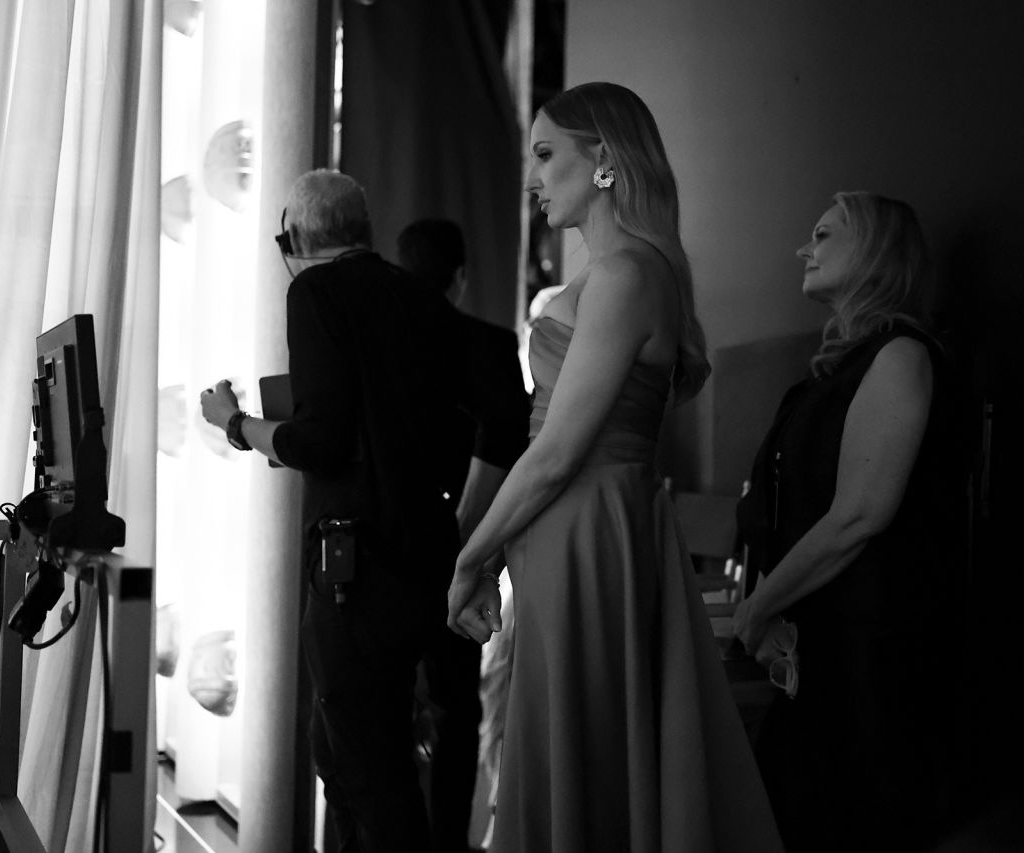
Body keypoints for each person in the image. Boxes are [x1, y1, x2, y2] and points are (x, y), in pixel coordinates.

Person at [444, 82, 785, 853]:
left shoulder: (628, 274)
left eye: (545, 155)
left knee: (580, 740)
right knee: (571, 734)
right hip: (577, 529)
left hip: (586, 529)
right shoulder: (620, 274)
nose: (531, 179)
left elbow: (558, 450)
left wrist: (470, 555)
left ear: (602, 160)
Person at [199, 170, 520, 853]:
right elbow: (498, 416)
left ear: (296, 237)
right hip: (426, 558)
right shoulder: (419, 299)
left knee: (363, 769)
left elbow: (321, 439)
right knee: (359, 757)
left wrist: (235, 423)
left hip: (354, 567)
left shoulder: (315, 290)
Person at [732, 192, 964, 852]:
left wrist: (759, 606)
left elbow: (861, 513)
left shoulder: (901, 356)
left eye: (823, 234)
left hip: (874, 664)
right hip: (826, 653)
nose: (804, 249)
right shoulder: (840, 370)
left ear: (873, 252)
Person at [395, 217, 530, 853]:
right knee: (455, 705)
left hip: (387, 546)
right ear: (461, 277)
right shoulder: (489, 343)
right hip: (461, 547)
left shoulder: (380, 347)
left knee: (385, 704)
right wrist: (467, 538)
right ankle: (447, 840)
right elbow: (511, 439)